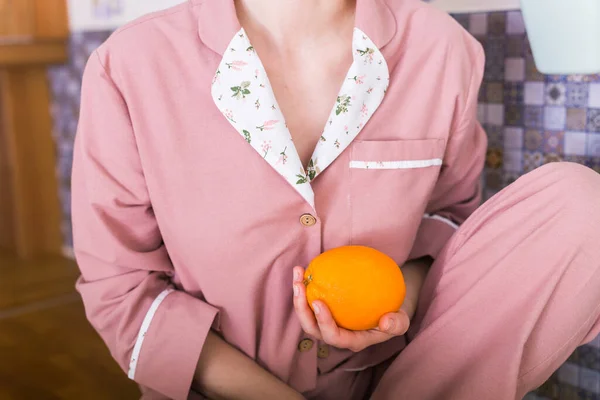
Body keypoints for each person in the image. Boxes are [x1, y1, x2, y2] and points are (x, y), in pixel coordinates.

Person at [71, 0, 600, 399]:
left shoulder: (443, 48)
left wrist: (401, 302)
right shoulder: (130, 65)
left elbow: (449, 224)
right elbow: (121, 287)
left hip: (405, 377)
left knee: (582, 204)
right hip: (219, 388)